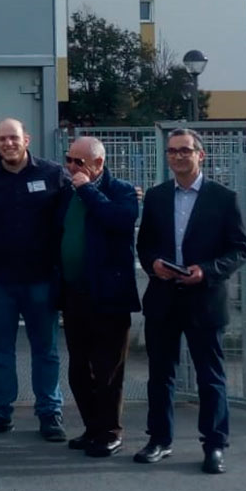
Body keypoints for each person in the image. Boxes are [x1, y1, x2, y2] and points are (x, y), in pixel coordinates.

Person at [135, 129, 246, 474]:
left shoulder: (223, 198)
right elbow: (145, 246)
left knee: (210, 377)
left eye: (185, 151)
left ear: (201, 155)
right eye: (172, 151)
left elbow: (241, 249)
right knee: (160, 375)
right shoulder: (155, 198)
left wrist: (208, 271)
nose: (178, 157)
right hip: (163, 298)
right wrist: (154, 264)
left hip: (205, 300)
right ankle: (159, 439)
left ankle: (215, 445)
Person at [0, 118, 70, 440]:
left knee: (46, 350)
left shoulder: (52, 175)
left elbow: (67, 224)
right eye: (2, 139)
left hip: (41, 279)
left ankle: (50, 414)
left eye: (13, 138)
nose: (8, 143)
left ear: (27, 139)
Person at [54, 136, 142, 459]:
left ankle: (110, 431)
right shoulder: (67, 193)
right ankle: (92, 427)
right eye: (69, 160)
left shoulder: (121, 190)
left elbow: (119, 220)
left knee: (108, 369)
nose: (72, 167)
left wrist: (87, 189)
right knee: (79, 369)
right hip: (75, 294)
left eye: (79, 162)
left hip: (109, 296)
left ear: (99, 164)